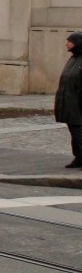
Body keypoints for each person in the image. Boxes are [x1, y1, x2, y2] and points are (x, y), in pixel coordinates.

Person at [55, 31, 82, 169]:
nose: (66, 44)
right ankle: (78, 157)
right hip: (69, 102)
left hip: (77, 104)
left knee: (78, 132)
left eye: (69, 41)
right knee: (74, 131)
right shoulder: (72, 59)